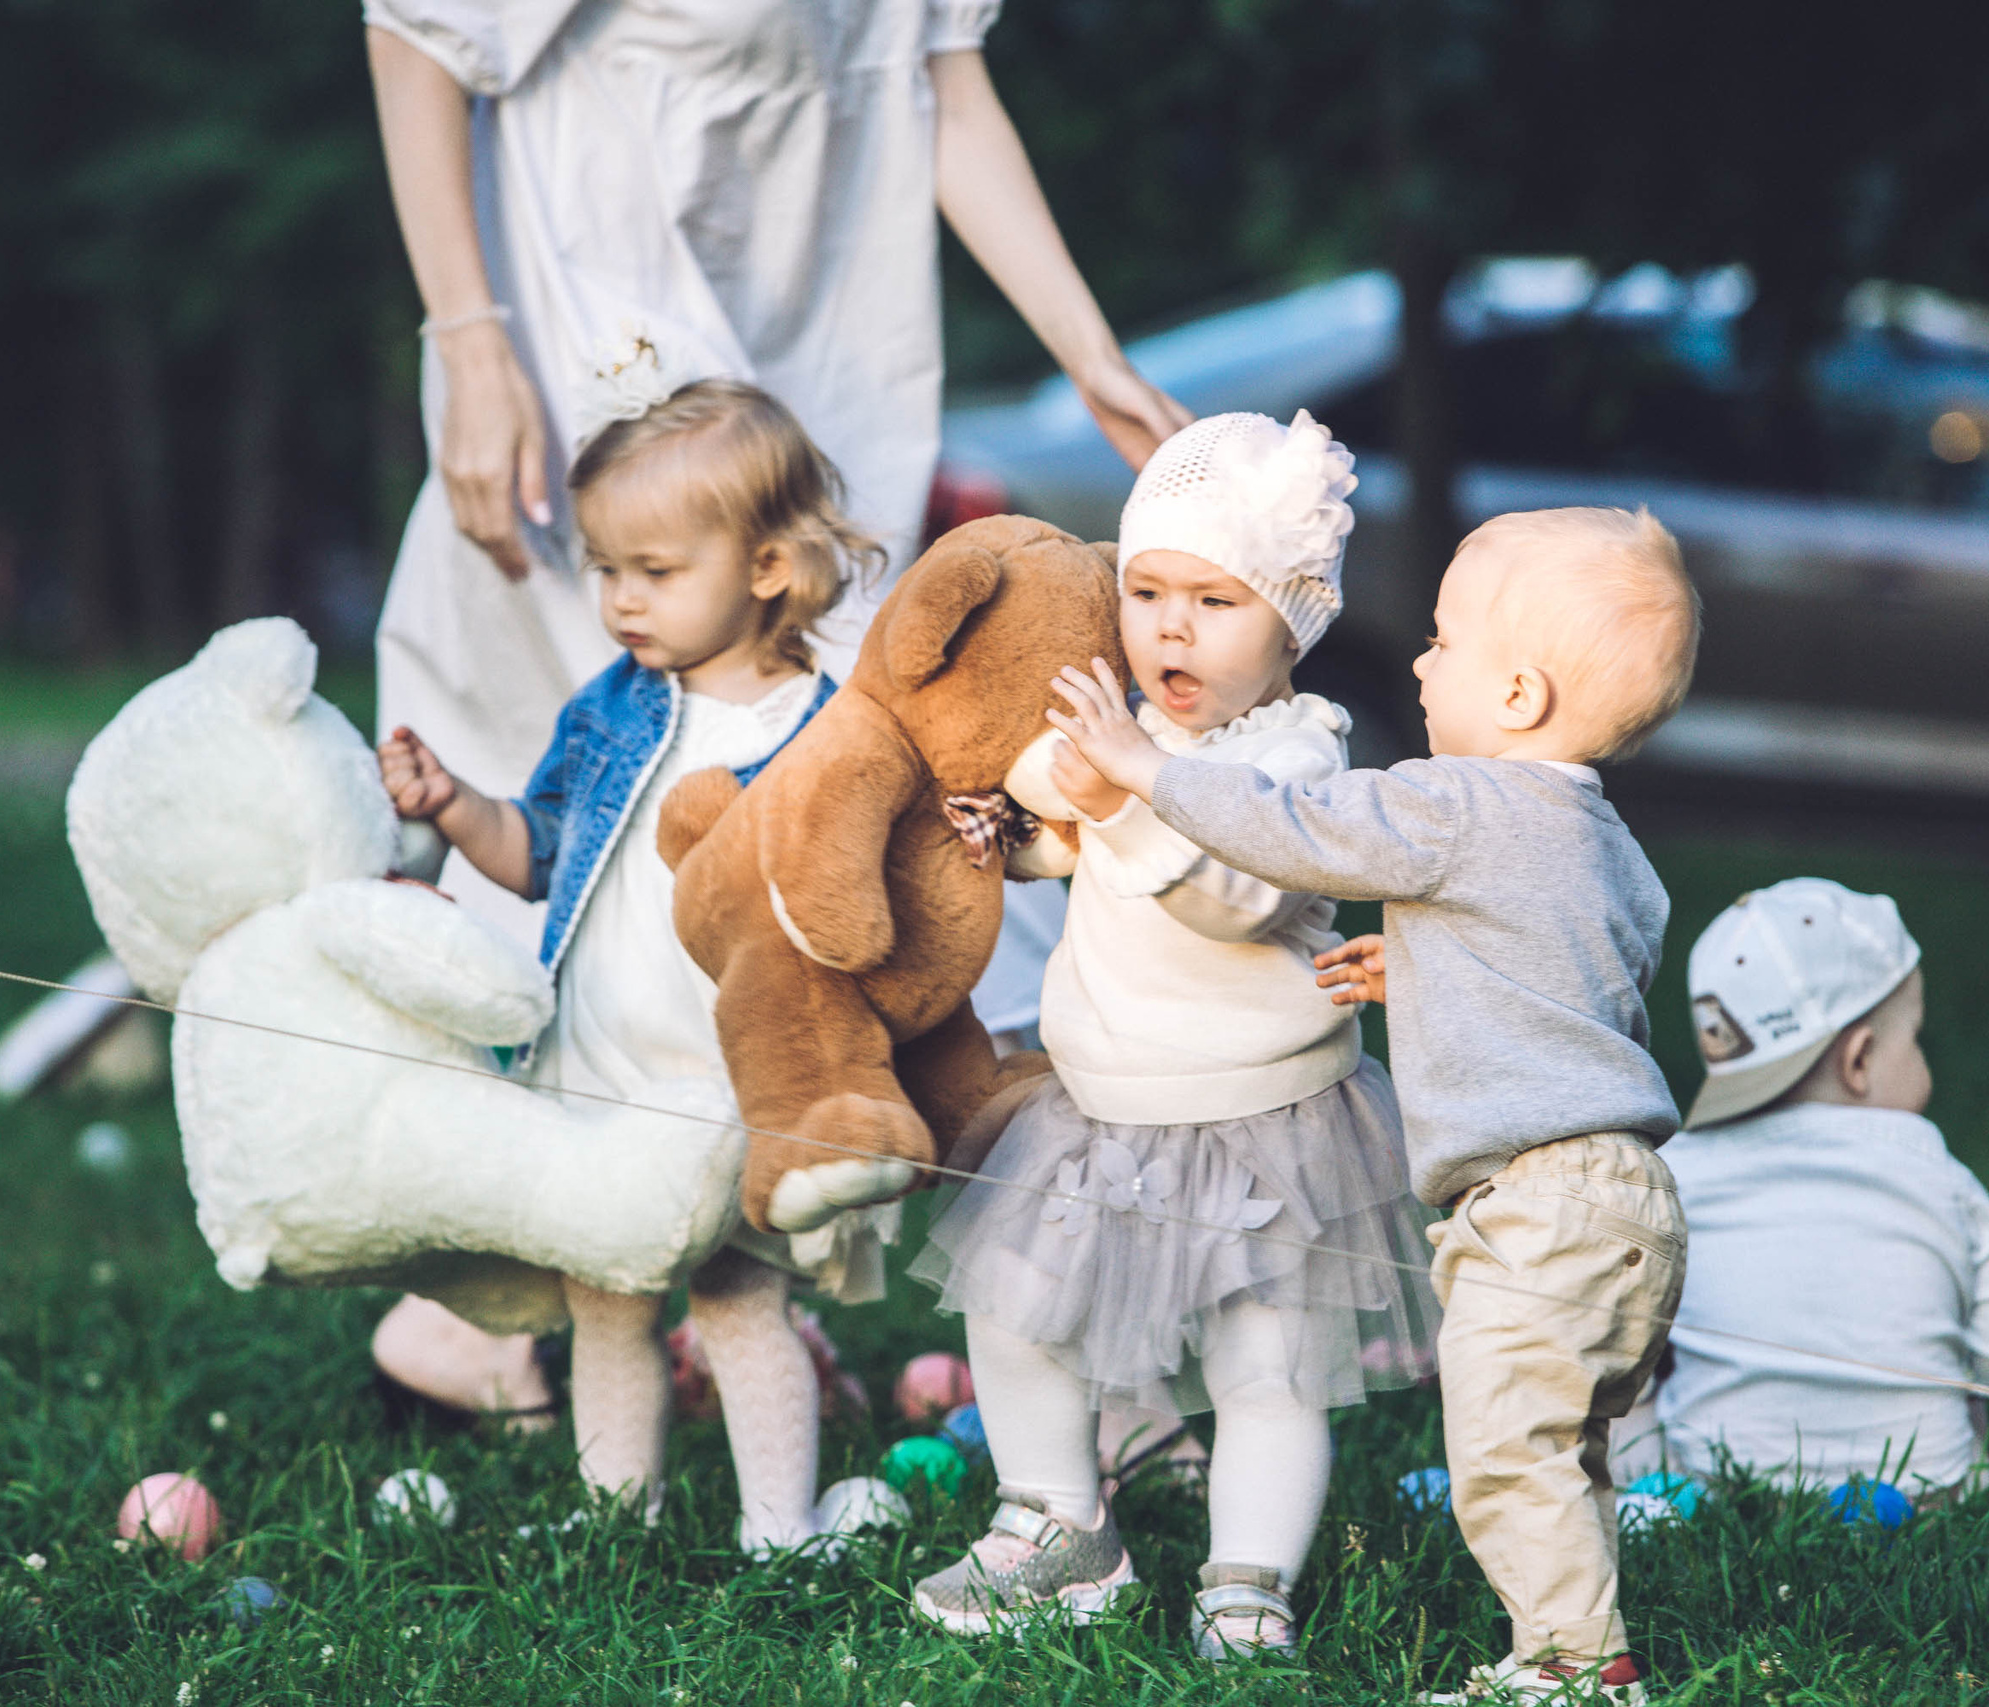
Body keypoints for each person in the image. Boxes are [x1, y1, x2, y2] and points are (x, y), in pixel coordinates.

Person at [360, 0, 1189, 1414]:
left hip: (818, 349)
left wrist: (1088, 347)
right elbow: (419, 32)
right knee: (603, 800)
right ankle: (494, 1295)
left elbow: (941, 83)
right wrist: (471, 338)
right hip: (590, 326)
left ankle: (785, 1256)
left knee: (851, 792)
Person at [1046, 507, 1701, 1706]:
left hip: (1536, 1203)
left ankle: (1573, 1670)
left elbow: (1295, 832)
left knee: (1505, 1452)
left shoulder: (1456, 801)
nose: (1417, 661)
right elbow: (1586, 974)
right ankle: (1569, 1633)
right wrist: (1433, 970)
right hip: (1630, 1203)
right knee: (1563, 1453)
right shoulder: (1600, 838)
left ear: (1517, 696)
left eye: (1444, 643)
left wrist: (1147, 768)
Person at [908, 413, 1438, 1659]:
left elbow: (1236, 894)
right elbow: (1094, 855)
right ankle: (1055, 1520)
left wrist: (1127, 786)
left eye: (1215, 599)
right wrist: (1029, 842)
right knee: (1018, 1309)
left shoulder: (1300, 755)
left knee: (1267, 1370)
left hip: (1265, 1123)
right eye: (1145, 592)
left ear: (1291, 623)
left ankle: (1245, 1585)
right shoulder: (1142, 743)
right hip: (1102, 1103)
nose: (1169, 628)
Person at [378, 378, 878, 1545]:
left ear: (764, 566)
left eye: (655, 572)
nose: (621, 601)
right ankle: (616, 1519)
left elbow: (859, 909)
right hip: (602, 1068)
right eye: (606, 570)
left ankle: (779, 1526)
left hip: (730, 1083)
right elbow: (541, 853)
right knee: (604, 1299)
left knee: (738, 1299)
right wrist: (457, 808)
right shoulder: (612, 708)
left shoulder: (824, 730)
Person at [1609, 879, 1989, 1502]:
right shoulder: (1936, 1173)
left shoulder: (1674, 1177)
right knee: (1970, 1424)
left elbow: (1621, 1340)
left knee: (1621, 1397)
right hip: (1920, 1490)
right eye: (1915, 1040)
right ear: (1859, 1061)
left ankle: (1660, 1500)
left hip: (1722, 1481)